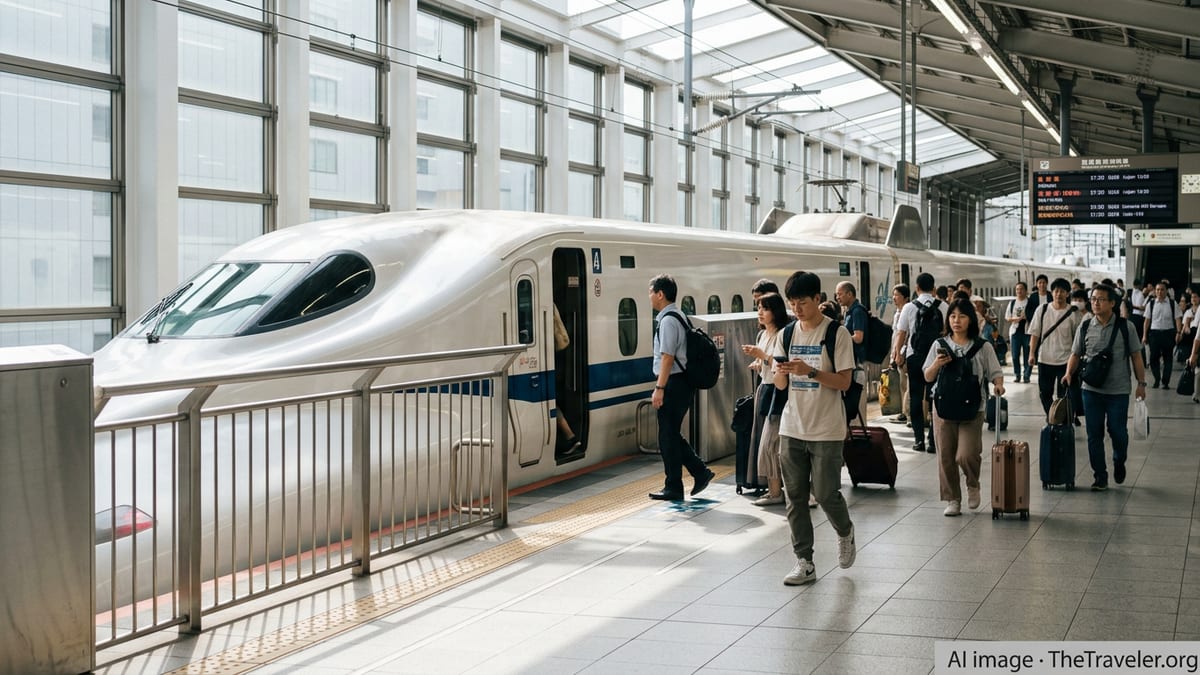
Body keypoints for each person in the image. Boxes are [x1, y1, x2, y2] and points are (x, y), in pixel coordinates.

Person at [772, 271, 857, 585]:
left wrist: (811, 372)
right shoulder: (787, 334)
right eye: (792, 303)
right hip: (792, 425)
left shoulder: (837, 334)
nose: (797, 308)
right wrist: (780, 371)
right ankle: (804, 561)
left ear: (819, 300)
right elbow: (780, 383)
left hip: (826, 428)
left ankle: (845, 531)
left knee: (824, 493)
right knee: (794, 498)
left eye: (803, 302)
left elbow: (845, 382)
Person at [923, 297, 1004, 516]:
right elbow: (928, 376)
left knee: (966, 454)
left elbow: (995, 372)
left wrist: (998, 386)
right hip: (943, 407)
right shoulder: (938, 345)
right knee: (946, 456)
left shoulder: (982, 346)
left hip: (972, 408)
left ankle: (972, 483)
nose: (956, 321)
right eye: (952, 316)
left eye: (962, 316)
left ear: (971, 319)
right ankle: (953, 499)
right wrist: (937, 364)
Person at [1063, 284, 1147, 491]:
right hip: (1091, 390)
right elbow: (1075, 354)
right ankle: (1100, 475)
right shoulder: (1085, 326)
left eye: (1100, 299)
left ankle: (1119, 460)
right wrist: (1068, 373)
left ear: (1112, 303)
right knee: (1094, 434)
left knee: (1118, 431)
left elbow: (1136, 356)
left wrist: (1141, 384)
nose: (1095, 303)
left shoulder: (1126, 327)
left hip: (1118, 391)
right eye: (1093, 299)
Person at [648, 274, 714, 501]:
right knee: (670, 434)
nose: (649, 297)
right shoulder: (680, 315)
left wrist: (660, 387)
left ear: (660, 294)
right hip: (681, 383)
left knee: (667, 435)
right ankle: (698, 472)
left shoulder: (667, 320)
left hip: (674, 383)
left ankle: (674, 486)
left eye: (651, 292)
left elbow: (667, 357)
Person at [740, 291, 788, 506]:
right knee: (766, 443)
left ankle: (779, 492)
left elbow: (780, 365)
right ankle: (773, 490)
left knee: (771, 444)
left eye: (765, 308)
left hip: (779, 392)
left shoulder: (782, 335)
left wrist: (763, 357)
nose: (760, 312)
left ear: (775, 311)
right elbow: (768, 366)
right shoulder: (763, 335)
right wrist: (759, 362)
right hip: (766, 390)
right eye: (758, 307)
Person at [892, 272, 947, 454]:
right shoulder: (944, 306)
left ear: (916, 288)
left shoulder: (909, 307)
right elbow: (947, 333)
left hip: (914, 356)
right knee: (934, 397)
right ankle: (932, 440)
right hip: (936, 358)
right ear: (933, 288)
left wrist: (896, 355)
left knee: (916, 396)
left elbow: (901, 333)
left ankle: (918, 440)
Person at [1027, 278, 1082, 416]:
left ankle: (1063, 421)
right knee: (1045, 394)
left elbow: (1078, 339)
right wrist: (1031, 353)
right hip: (1045, 359)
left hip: (1066, 361)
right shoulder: (1042, 309)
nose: (1058, 294)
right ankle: (1052, 417)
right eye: (1056, 291)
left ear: (1068, 294)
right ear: (1052, 293)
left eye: (1062, 291)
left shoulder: (1074, 313)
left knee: (1065, 396)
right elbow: (1035, 334)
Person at [835, 281, 869, 423]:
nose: (837, 297)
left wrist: (841, 338)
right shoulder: (849, 311)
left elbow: (859, 337)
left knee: (855, 402)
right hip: (852, 361)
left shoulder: (857, 311)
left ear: (850, 294)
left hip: (857, 363)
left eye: (840, 294)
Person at [552, 305, 582, 457]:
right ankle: (570, 436)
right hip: (555, 358)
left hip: (552, 360)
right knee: (551, 403)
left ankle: (570, 437)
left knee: (550, 404)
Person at [1142, 281, 1182, 389]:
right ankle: (1156, 379)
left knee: (1168, 358)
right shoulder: (1151, 304)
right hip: (1154, 334)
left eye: (1162, 289)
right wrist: (1144, 335)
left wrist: (1178, 332)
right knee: (1153, 358)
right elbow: (1147, 321)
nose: (1159, 292)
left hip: (1168, 333)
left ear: (1166, 291)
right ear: (1155, 291)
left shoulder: (1173, 304)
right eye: (1157, 289)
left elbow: (1178, 319)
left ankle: (1165, 382)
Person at [890, 284, 912, 424]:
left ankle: (908, 413)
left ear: (905, 297)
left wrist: (900, 353)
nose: (894, 298)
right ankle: (904, 411)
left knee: (907, 384)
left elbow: (905, 335)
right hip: (897, 352)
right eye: (893, 294)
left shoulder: (908, 312)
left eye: (897, 295)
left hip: (904, 353)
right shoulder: (897, 313)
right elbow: (895, 335)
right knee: (902, 384)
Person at [1006, 282, 1034, 383]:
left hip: (1027, 331)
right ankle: (1017, 374)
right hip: (1015, 332)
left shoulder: (1030, 302)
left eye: (1021, 289)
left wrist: (1027, 317)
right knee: (1014, 355)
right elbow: (1007, 317)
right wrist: (1015, 319)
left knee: (1028, 354)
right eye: (1017, 289)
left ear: (1026, 291)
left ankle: (1027, 375)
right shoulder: (1012, 303)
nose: (1019, 291)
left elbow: (1034, 315)